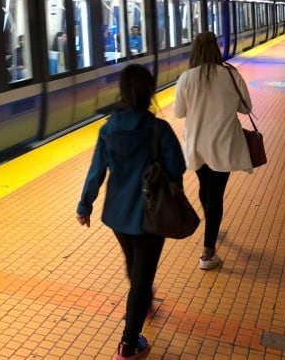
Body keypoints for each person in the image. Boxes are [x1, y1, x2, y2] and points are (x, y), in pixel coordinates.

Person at [76, 63, 185, 360]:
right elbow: (177, 166)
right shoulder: (157, 129)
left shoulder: (107, 129)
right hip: (152, 216)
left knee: (134, 264)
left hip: (117, 216)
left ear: (122, 93)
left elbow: (96, 171)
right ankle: (128, 345)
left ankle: (144, 302)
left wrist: (84, 206)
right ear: (150, 92)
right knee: (142, 277)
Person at [172, 31, 254, 270]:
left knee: (205, 189)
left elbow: (179, 112)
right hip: (224, 145)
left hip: (197, 145)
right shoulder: (230, 75)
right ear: (216, 49)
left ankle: (211, 228)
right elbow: (247, 107)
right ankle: (208, 252)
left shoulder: (187, 78)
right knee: (215, 194)